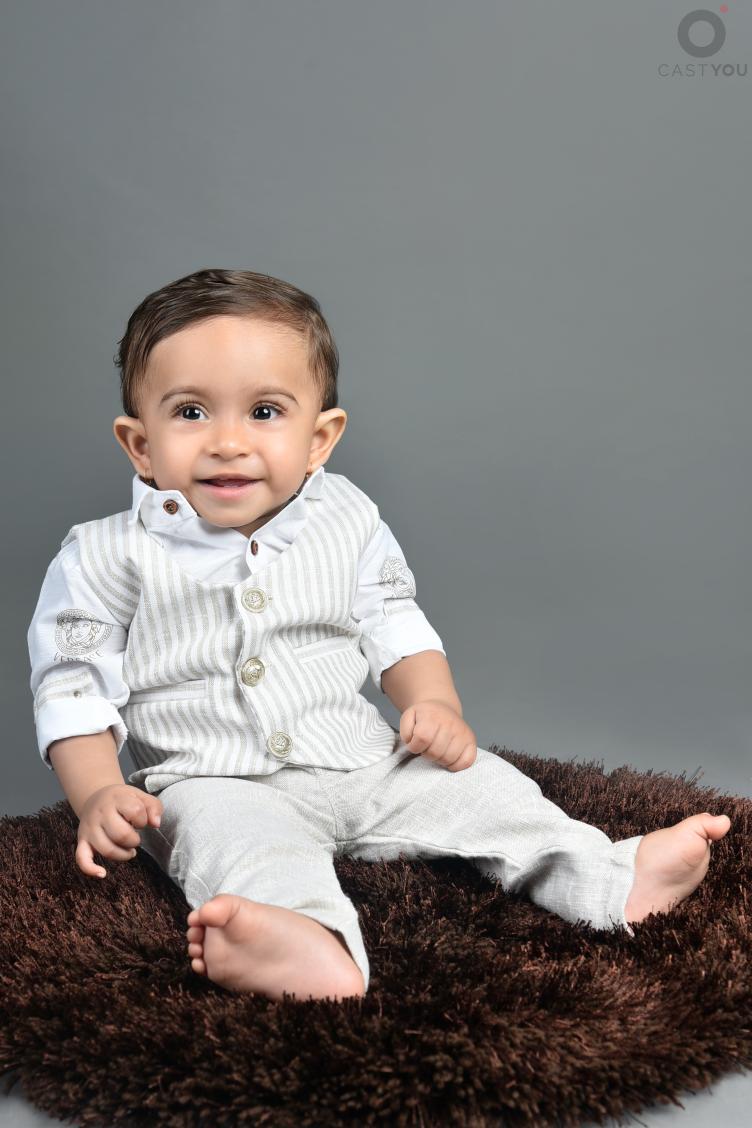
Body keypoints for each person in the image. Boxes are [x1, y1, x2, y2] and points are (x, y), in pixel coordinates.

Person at [27, 268, 731, 1004]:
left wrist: (435, 704)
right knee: (237, 844)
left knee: (486, 789)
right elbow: (73, 686)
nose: (229, 442)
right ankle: (307, 941)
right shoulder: (103, 556)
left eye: (264, 412)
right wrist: (99, 792)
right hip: (209, 779)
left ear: (319, 438)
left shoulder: (348, 518)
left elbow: (395, 621)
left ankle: (609, 878)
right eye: (191, 412)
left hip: (361, 760)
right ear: (140, 444)